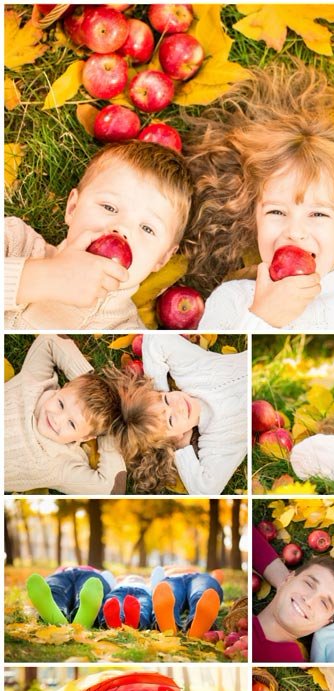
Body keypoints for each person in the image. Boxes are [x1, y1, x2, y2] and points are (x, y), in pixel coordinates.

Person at [183, 62, 334, 333]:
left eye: (318, 214)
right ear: (254, 220)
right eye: (276, 212)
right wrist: (263, 318)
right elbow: (229, 370)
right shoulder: (232, 301)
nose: (295, 232)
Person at [5, 141, 191, 331]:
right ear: (73, 208)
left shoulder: (127, 332)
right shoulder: (15, 241)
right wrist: (48, 275)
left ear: (163, 258)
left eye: (147, 228)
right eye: (109, 207)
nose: (121, 229)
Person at [117, 334, 247, 495]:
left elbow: (155, 339)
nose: (177, 406)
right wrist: (181, 448)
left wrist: (158, 389)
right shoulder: (218, 438)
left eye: (165, 400)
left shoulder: (192, 375)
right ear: (174, 437)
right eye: (170, 420)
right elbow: (205, 490)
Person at [4, 335, 126, 494]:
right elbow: (50, 340)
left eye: (72, 424)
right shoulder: (36, 381)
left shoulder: (61, 465)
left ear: (85, 438)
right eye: (61, 404)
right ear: (64, 387)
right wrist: (83, 378)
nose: (57, 418)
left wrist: (110, 431)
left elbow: (111, 489)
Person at [253, 528, 334, 662]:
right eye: (309, 584)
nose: (309, 599)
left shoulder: (290, 662)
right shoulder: (237, 624)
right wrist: (285, 586)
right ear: (288, 578)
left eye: (324, 603)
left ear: (326, 623)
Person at [26, 565, 115, 628]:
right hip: (88, 574)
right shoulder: (102, 572)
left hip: (63, 574)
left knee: (56, 588)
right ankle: (82, 621)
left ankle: (56, 616)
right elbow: (111, 584)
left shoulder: (60, 569)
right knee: (89, 587)